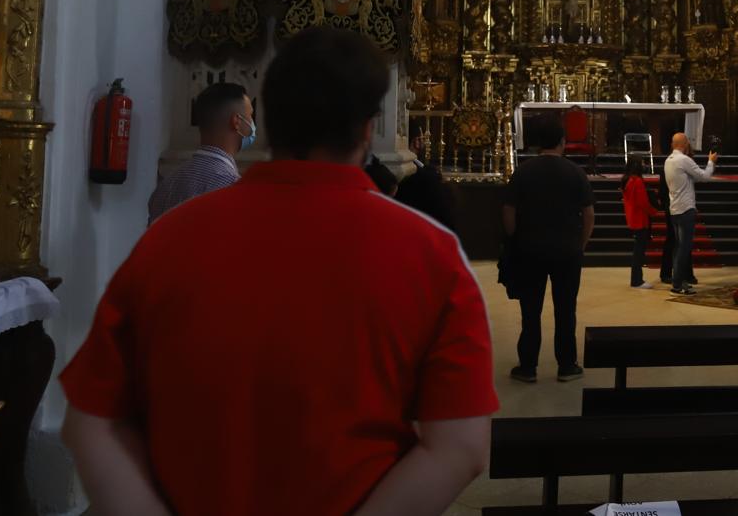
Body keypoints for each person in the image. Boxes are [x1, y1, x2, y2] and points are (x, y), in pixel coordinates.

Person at [61, 28, 497, 515]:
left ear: (265, 118)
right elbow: (461, 447)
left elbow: (91, 424)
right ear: (369, 128)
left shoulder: (166, 239)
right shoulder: (433, 254)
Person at [503, 118, 594, 383]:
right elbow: (588, 213)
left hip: (529, 249)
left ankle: (528, 366)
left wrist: (514, 238)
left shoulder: (523, 171)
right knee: (566, 310)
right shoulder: (575, 172)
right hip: (567, 251)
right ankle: (566, 365)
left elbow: (508, 210)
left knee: (530, 310)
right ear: (563, 142)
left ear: (538, 144)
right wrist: (581, 244)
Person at [146, 82, 254, 225]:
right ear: (236, 121)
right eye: (251, 116)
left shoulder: (166, 186)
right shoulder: (231, 187)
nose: (252, 123)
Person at [663, 132, 717, 296]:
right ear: (685, 144)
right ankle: (677, 284)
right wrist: (711, 162)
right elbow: (705, 176)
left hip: (674, 209)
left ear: (673, 144)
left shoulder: (668, 161)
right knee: (684, 248)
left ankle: (680, 281)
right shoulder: (684, 160)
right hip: (686, 209)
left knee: (679, 247)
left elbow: (685, 180)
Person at [621, 155, 661, 289]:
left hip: (633, 218)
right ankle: (637, 280)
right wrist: (654, 211)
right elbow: (643, 202)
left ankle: (636, 279)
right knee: (639, 252)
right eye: (643, 163)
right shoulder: (637, 181)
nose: (644, 165)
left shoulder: (627, 180)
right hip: (640, 219)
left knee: (637, 251)